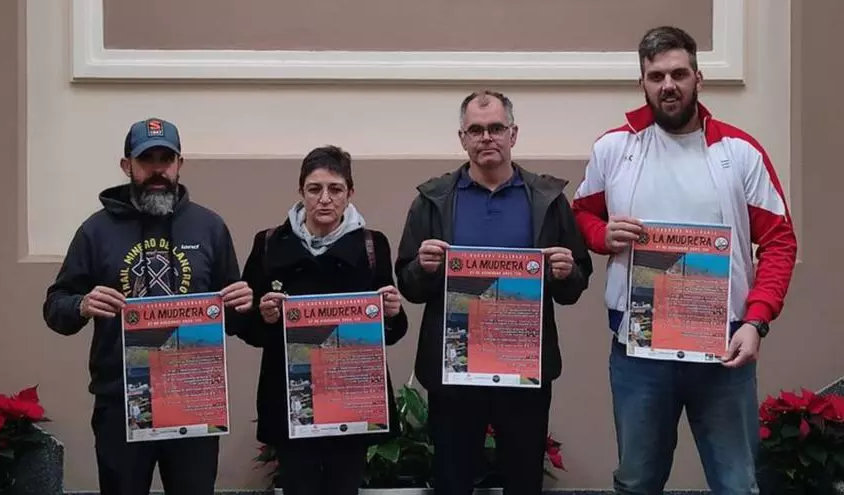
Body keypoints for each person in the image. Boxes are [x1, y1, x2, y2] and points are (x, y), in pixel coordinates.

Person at [572, 26, 797, 494]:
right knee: (637, 481)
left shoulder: (740, 152)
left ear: (699, 78)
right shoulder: (614, 149)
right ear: (642, 82)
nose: (668, 85)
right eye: (656, 76)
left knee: (736, 484)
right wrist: (601, 234)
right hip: (638, 351)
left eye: (678, 73)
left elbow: (779, 241)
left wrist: (756, 321)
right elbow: (580, 215)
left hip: (725, 349)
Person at [394, 90, 593, 494]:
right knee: (452, 480)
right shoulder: (433, 200)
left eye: (496, 128)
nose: (487, 137)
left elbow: (575, 282)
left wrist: (566, 272)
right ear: (462, 138)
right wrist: (422, 268)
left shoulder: (547, 199)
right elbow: (409, 285)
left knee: (523, 479)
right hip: (454, 370)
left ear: (513, 134)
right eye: (476, 130)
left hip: (523, 367)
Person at [42, 117, 253, 495]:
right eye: (146, 160)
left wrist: (243, 305)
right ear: (127, 165)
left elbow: (233, 318)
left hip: (193, 398)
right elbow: (55, 308)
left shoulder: (209, 227)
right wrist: (82, 304)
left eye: (165, 159)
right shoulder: (96, 231)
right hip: (121, 401)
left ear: (179, 164)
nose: (157, 170)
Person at [231, 145, 408, 495]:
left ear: (350, 192)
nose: (325, 199)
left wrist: (392, 313)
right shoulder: (268, 243)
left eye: (335, 189)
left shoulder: (373, 245)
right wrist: (263, 316)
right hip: (290, 397)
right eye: (315, 189)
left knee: (345, 486)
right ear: (301, 191)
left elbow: (391, 332)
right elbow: (246, 327)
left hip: (351, 396)